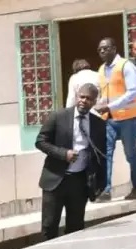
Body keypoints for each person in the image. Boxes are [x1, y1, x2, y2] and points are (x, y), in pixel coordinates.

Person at [36, 83, 106, 240]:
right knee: (49, 226)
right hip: (55, 180)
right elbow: (40, 141)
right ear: (76, 97)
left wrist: (101, 182)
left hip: (80, 183)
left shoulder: (99, 124)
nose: (83, 101)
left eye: (88, 99)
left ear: (94, 102)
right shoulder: (58, 116)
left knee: (76, 227)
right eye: (81, 97)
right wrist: (63, 154)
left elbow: (101, 155)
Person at [95, 37, 136, 201]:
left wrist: (111, 106)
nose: (102, 51)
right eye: (100, 49)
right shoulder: (101, 70)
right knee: (106, 153)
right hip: (109, 119)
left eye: (106, 48)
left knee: (130, 153)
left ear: (114, 49)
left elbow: (133, 92)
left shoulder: (126, 66)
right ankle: (106, 190)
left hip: (128, 117)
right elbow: (104, 93)